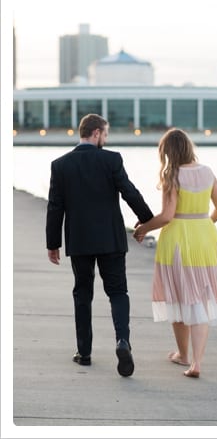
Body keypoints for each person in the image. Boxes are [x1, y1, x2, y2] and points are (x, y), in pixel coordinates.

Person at [133, 128, 217, 378]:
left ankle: (185, 355)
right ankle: (193, 360)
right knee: (200, 298)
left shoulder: (172, 176)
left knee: (178, 296)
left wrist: (143, 229)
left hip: (176, 241)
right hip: (206, 238)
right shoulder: (207, 172)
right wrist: (204, 224)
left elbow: (166, 216)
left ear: (167, 152)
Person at [46, 113, 154, 377]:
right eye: (105, 134)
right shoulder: (111, 160)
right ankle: (122, 341)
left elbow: (55, 207)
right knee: (118, 292)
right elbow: (129, 191)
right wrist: (147, 220)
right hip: (111, 239)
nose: (106, 139)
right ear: (96, 133)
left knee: (83, 293)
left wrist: (53, 243)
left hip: (80, 241)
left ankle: (84, 353)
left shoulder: (60, 165)